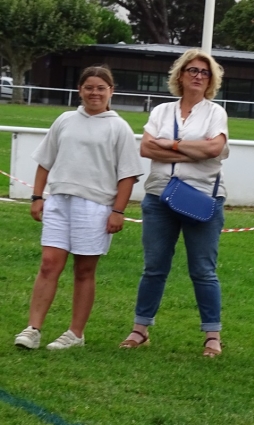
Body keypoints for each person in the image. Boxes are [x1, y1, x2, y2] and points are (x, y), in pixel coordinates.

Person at [14, 65, 143, 350]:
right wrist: (37, 197)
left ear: (111, 91)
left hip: (96, 206)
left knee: (84, 270)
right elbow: (45, 161)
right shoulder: (65, 120)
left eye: (100, 88)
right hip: (60, 202)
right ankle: (33, 328)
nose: (94, 93)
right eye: (89, 87)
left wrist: (118, 211)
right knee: (49, 264)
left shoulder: (118, 127)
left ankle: (75, 333)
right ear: (79, 90)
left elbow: (128, 175)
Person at [119, 48, 229, 357]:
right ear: (179, 75)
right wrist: (188, 150)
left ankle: (212, 336)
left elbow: (213, 149)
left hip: (202, 197)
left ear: (211, 80)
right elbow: (146, 149)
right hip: (158, 196)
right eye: (192, 70)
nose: (197, 76)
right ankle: (140, 329)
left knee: (203, 270)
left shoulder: (215, 112)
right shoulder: (161, 111)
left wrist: (172, 144)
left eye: (204, 72)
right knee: (154, 267)